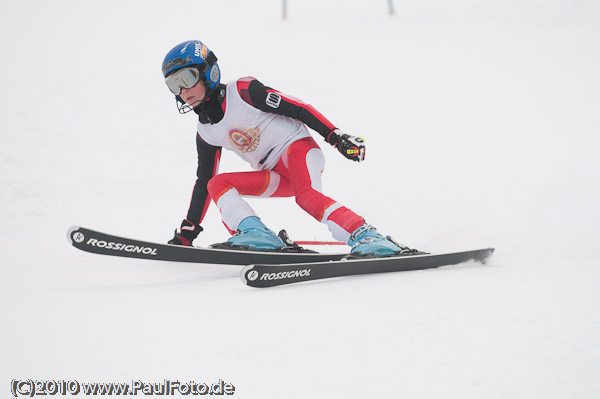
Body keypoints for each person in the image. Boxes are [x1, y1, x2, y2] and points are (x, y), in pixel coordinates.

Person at [163, 40, 408, 257]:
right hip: (277, 174)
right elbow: (203, 179)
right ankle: (255, 234)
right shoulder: (206, 130)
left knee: (306, 197)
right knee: (216, 184)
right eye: (174, 84)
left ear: (209, 73)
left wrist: (335, 136)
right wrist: (188, 231)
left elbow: (298, 107)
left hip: (296, 149)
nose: (182, 91)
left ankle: (366, 236)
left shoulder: (243, 91)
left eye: (187, 78)